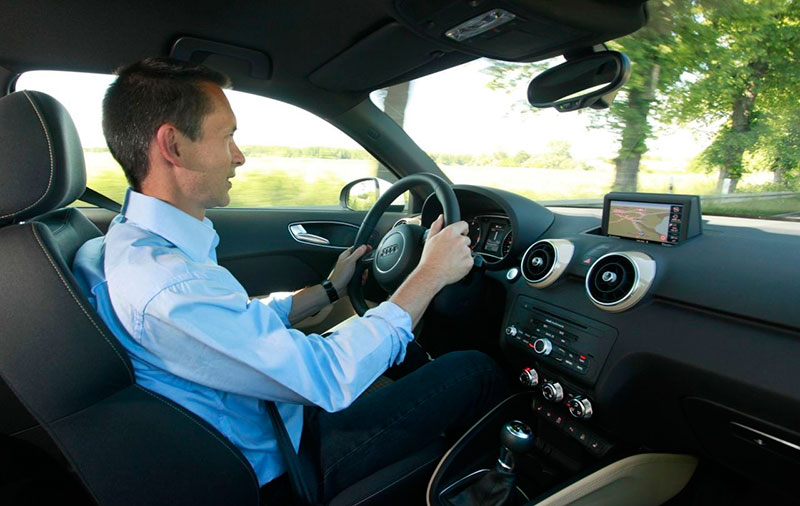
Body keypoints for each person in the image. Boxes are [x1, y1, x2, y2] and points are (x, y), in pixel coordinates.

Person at [72, 57, 508, 503]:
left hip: (274, 414)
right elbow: (329, 375)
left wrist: (329, 291)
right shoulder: (166, 284)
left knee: (401, 356)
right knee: (475, 370)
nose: (239, 156)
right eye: (228, 137)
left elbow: (230, 327)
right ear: (173, 146)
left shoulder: (127, 243)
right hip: (289, 462)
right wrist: (430, 274)